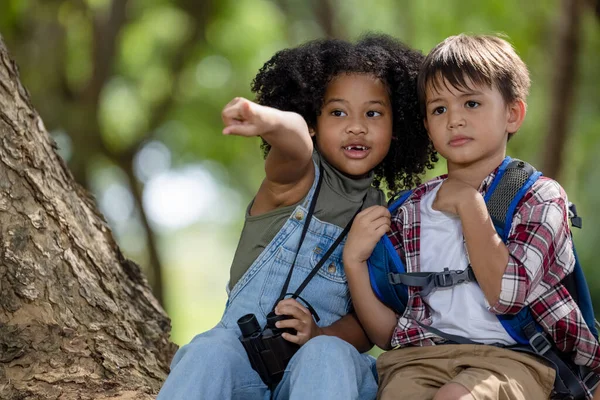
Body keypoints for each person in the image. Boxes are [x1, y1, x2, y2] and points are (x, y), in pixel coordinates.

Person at [157, 34, 436, 400]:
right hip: (240, 369)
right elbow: (294, 145)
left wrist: (320, 335)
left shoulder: (387, 217)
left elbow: (366, 327)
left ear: (396, 128)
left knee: (328, 353)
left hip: (317, 379)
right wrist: (266, 120)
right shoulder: (294, 180)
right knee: (208, 351)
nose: (356, 126)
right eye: (338, 112)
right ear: (313, 122)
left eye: (373, 113)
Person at [343, 33, 600, 400]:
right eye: (439, 109)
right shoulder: (408, 211)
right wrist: (354, 262)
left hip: (515, 360)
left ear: (512, 114)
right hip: (419, 360)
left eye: (472, 103)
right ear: (428, 126)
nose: (455, 120)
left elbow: (506, 296)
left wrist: (469, 205)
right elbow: (390, 336)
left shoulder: (538, 197)